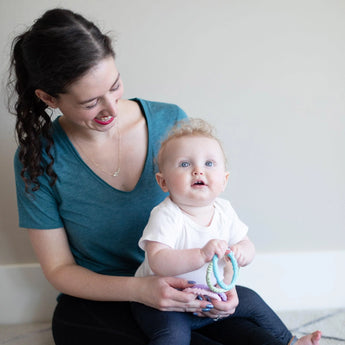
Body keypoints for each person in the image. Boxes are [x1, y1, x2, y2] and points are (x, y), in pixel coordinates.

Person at [7, 8, 322, 345]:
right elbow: (59, 270)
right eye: (91, 102)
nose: (112, 108)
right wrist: (139, 289)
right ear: (48, 98)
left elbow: (209, 215)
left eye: (114, 86)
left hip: (188, 291)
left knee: (256, 337)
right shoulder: (37, 159)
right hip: (103, 300)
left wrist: (225, 283)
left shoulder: (170, 123)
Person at [131, 118, 321, 345]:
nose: (198, 171)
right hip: (166, 304)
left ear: (224, 180)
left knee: (251, 300)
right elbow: (159, 261)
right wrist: (201, 254)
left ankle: (290, 341)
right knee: (173, 335)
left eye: (209, 164)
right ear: (163, 182)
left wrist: (242, 252)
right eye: (184, 164)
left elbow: (246, 243)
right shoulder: (166, 215)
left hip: (210, 299)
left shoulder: (224, 210)